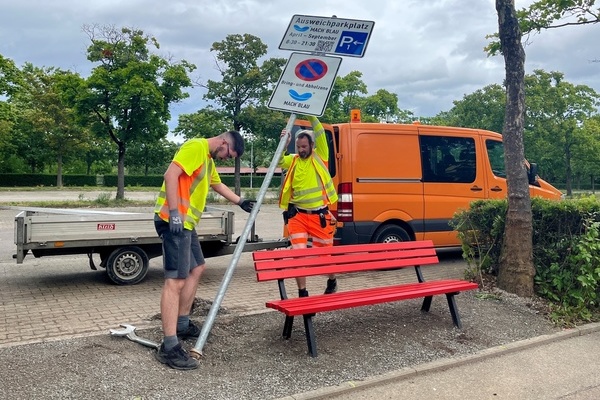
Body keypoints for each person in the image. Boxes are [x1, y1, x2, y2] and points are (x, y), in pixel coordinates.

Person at [153, 130, 255, 370]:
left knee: (197, 268)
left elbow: (216, 184)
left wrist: (240, 201)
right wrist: (176, 213)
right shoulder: (196, 147)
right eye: (229, 154)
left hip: (186, 223)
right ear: (223, 143)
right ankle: (169, 346)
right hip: (174, 221)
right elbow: (170, 175)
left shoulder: (207, 160)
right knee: (175, 281)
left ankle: (182, 323)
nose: (226, 159)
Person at [279, 115, 338, 298]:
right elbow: (279, 160)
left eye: (304, 146)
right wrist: (283, 143)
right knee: (299, 255)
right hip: (297, 215)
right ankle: (302, 292)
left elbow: (319, 133)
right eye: (298, 147)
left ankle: (332, 280)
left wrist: (311, 112)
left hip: (319, 216)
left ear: (312, 146)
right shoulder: (294, 160)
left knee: (325, 257)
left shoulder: (320, 156)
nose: (301, 150)